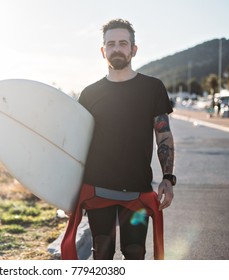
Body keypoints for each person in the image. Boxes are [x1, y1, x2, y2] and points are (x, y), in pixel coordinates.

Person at [74, 19, 175, 260]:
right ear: (103, 51)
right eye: (111, 44)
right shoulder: (89, 94)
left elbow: (163, 135)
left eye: (122, 43)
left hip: (137, 191)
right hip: (97, 190)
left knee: (135, 252)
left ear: (133, 49)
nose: (116, 48)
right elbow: (77, 144)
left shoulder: (152, 88)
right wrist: (68, 193)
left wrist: (168, 179)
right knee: (102, 252)